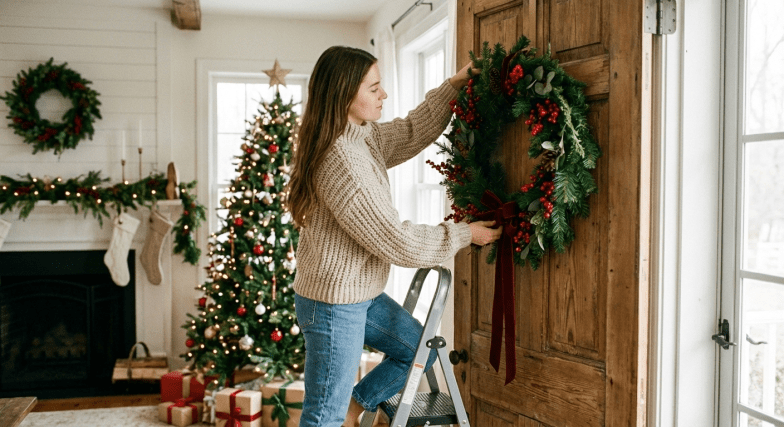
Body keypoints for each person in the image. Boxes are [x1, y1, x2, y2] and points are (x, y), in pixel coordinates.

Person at [287, 46, 501, 427]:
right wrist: (464, 234)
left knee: (418, 351)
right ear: (343, 94)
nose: (383, 94)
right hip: (334, 304)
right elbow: (395, 240)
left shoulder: (358, 135)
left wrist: (453, 85)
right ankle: (344, 414)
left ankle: (356, 408)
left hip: (359, 294)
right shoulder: (342, 160)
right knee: (323, 418)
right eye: (374, 88)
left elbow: (409, 132)